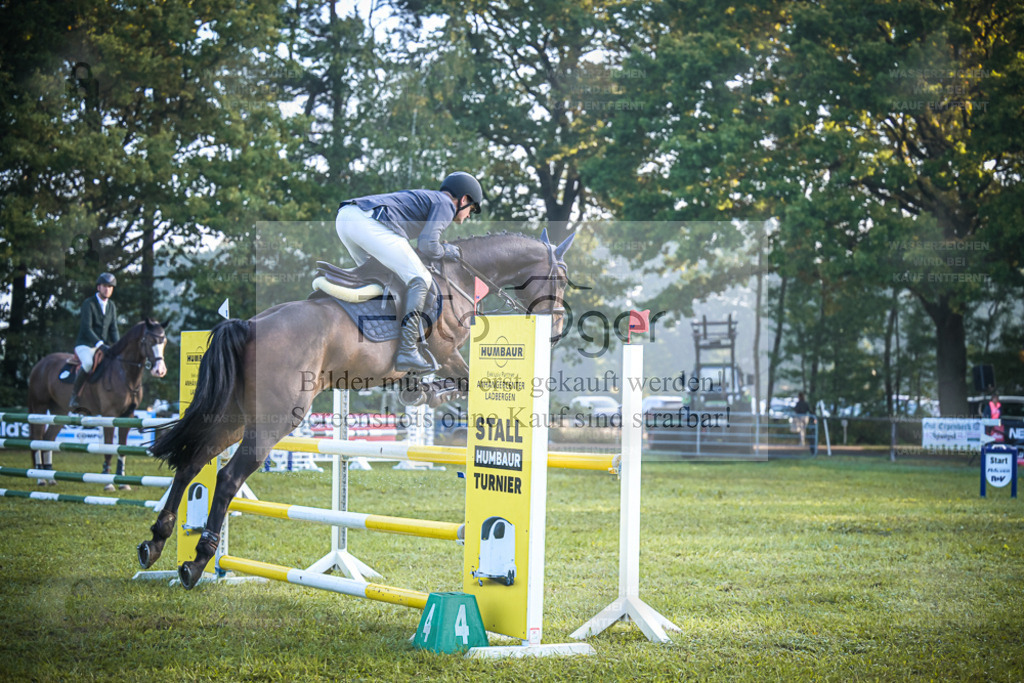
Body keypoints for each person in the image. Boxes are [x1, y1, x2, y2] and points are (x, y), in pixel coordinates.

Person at [335, 172, 484, 374]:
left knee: (384, 280)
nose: (468, 216)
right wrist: (447, 251)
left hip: (346, 218)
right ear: (464, 199)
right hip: (368, 222)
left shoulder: (431, 198)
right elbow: (428, 245)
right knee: (420, 279)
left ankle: (377, 339)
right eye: (471, 209)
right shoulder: (446, 204)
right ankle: (407, 350)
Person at [69, 272, 120, 412]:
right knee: (88, 363)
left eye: (110, 287)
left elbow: (113, 329)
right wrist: (100, 344)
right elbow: (86, 328)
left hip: (102, 346)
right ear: (98, 287)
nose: (107, 289)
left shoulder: (111, 306)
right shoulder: (88, 303)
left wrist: (119, 346)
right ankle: (74, 395)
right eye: (105, 286)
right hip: (85, 345)